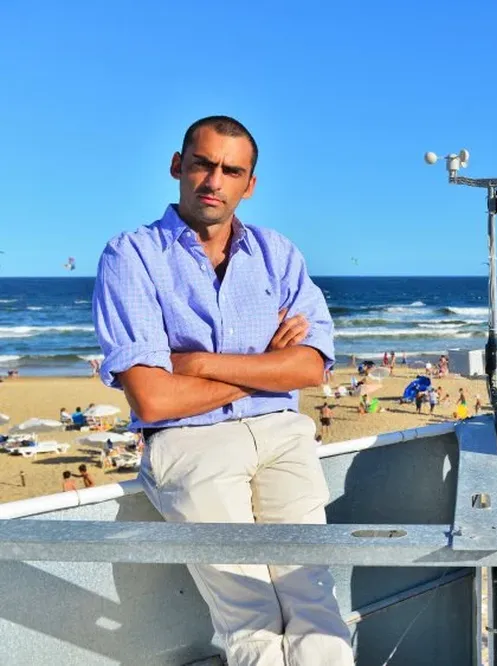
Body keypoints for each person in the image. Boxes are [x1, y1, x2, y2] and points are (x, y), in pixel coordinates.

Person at [92, 116, 353, 666]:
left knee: (314, 599)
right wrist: (265, 367)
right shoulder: (131, 256)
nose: (214, 181)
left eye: (231, 171)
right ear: (177, 166)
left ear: (249, 184)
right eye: (203, 164)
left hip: (282, 435)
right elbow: (154, 400)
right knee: (250, 617)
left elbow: (310, 367)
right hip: (191, 443)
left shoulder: (277, 254)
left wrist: (200, 365)